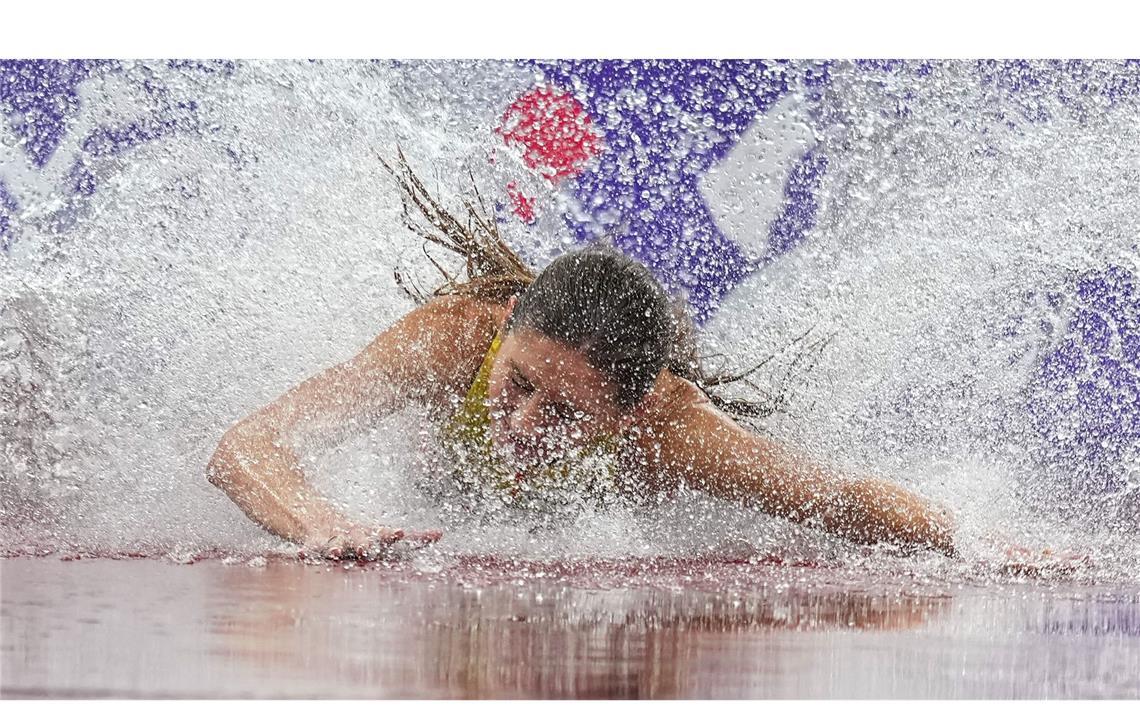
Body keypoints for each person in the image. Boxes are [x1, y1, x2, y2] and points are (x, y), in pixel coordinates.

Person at [206, 155, 956, 560]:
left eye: (565, 412)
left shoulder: (673, 432)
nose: (525, 423)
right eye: (519, 383)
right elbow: (247, 446)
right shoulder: (451, 341)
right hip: (434, 498)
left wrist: (972, 546)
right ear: (507, 327)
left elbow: (842, 501)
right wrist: (320, 521)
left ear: (633, 410)